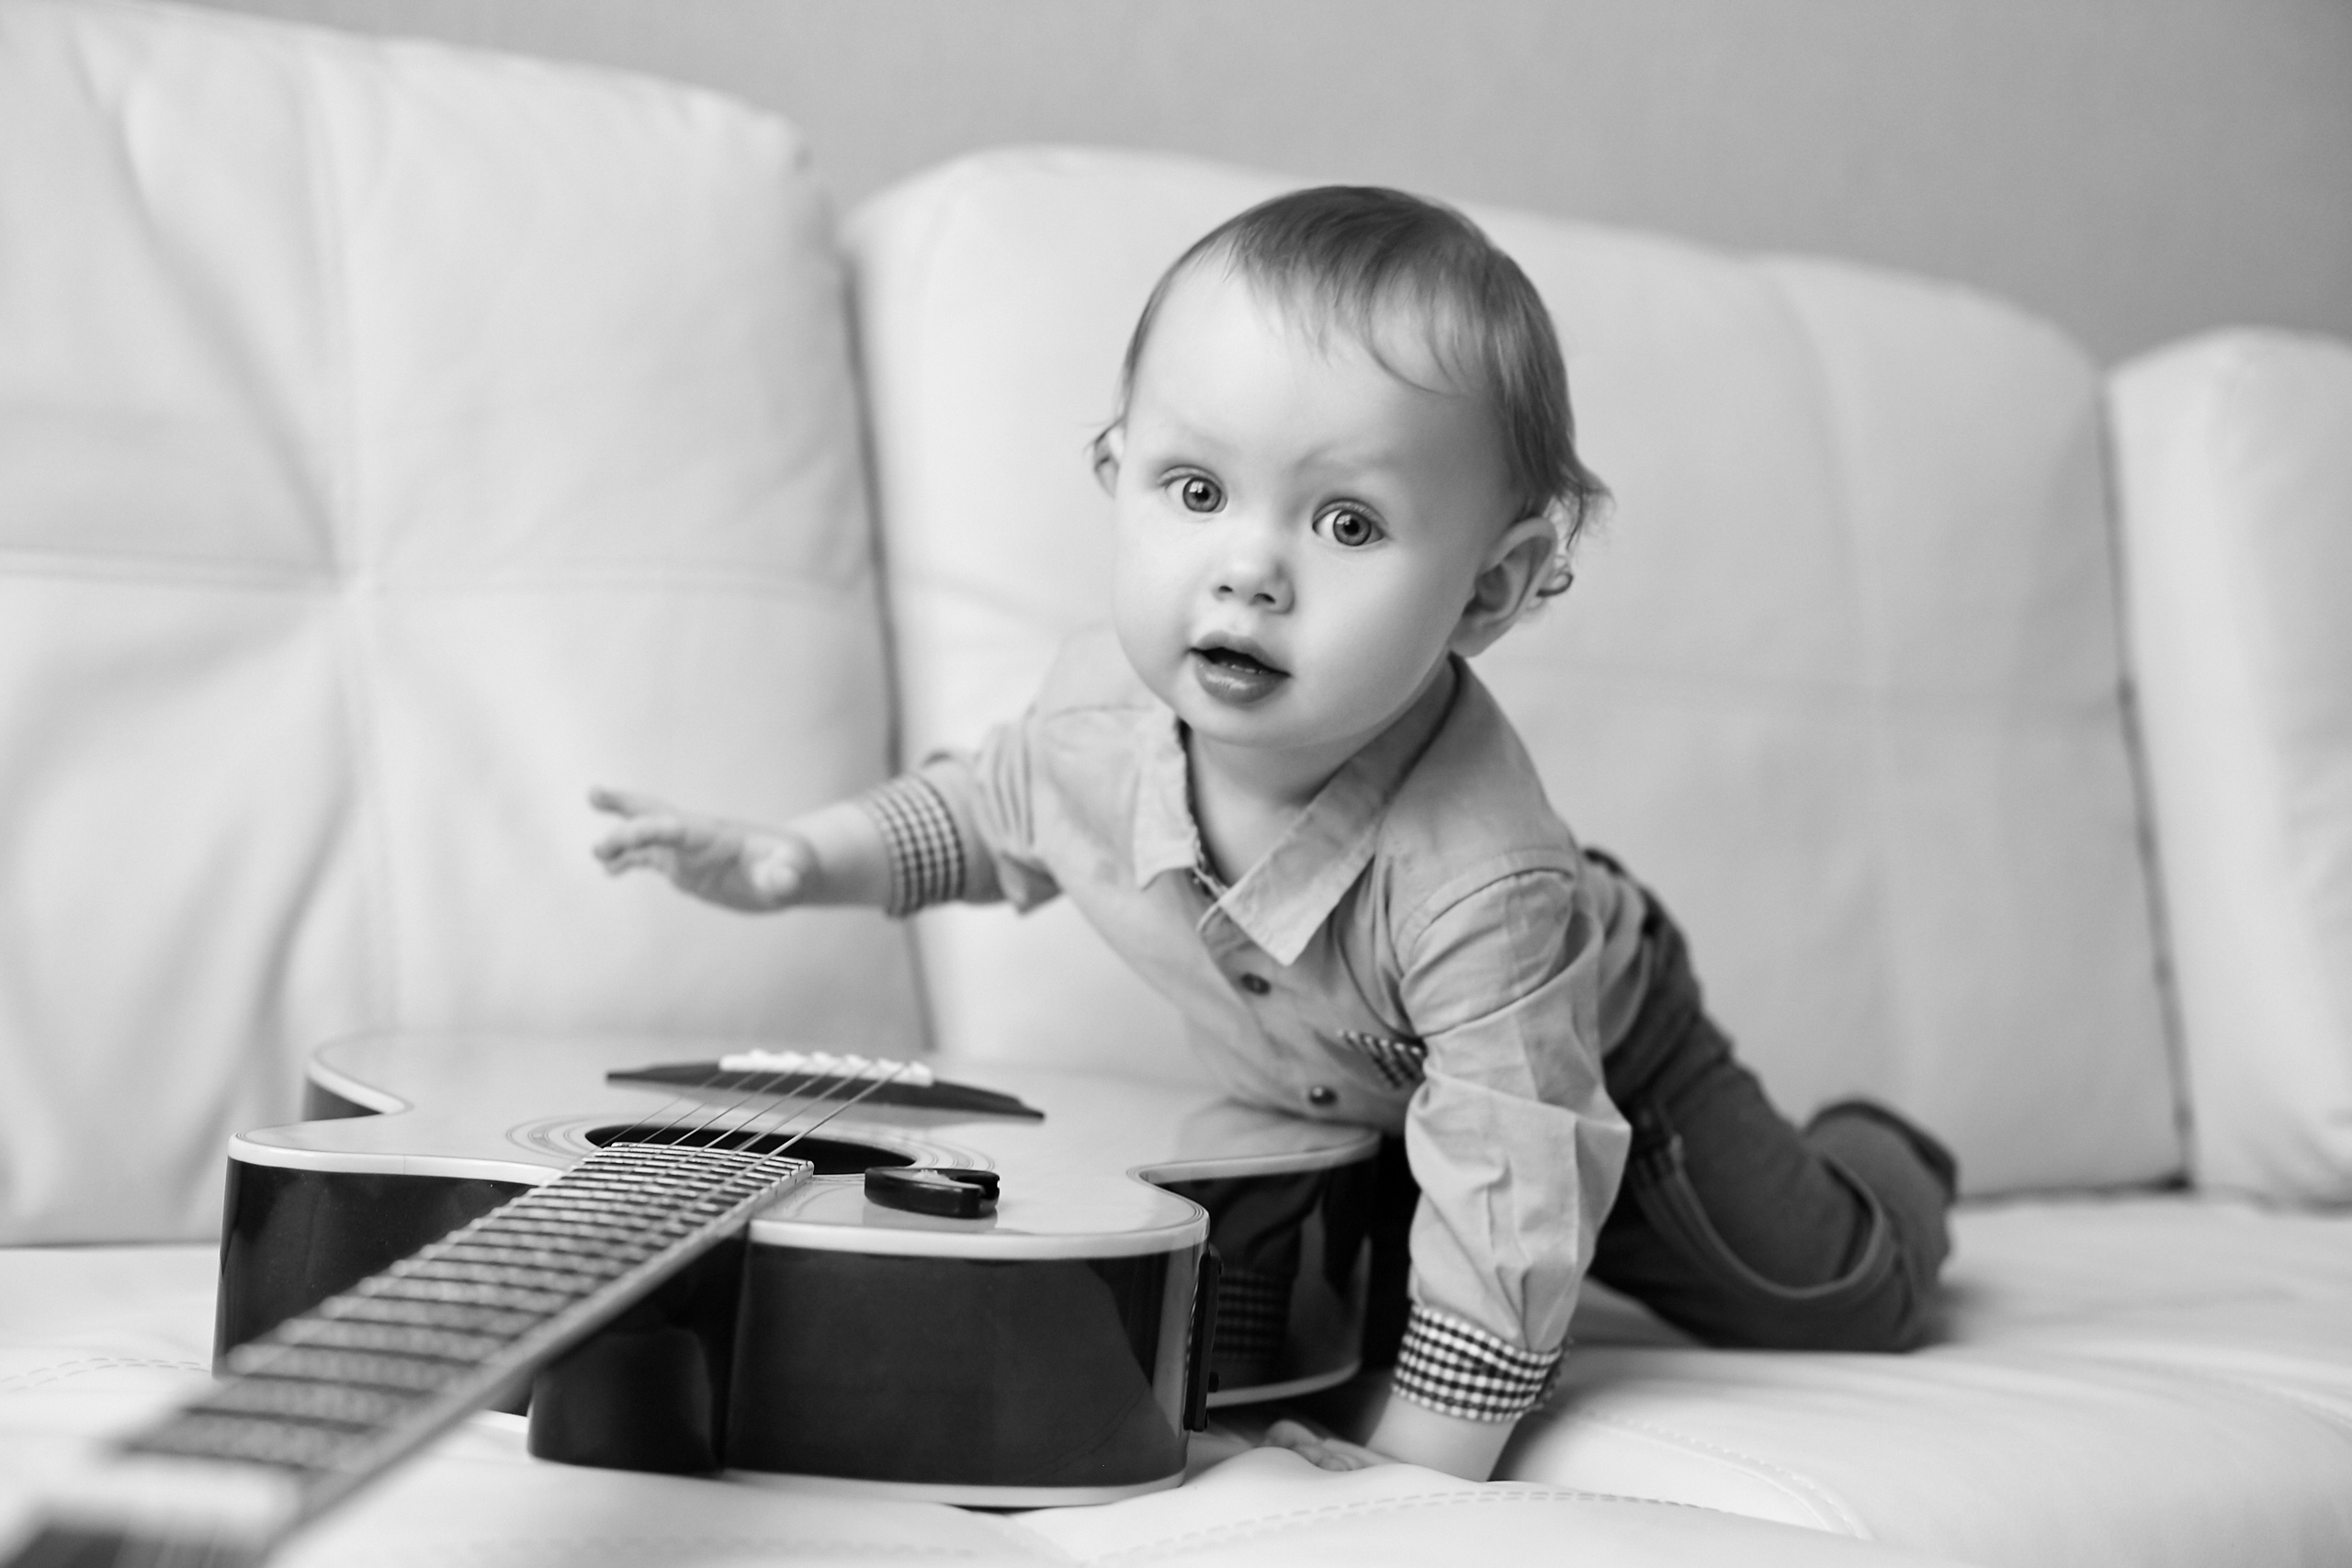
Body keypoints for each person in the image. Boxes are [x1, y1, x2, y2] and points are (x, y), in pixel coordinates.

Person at [591, 186, 1958, 1483]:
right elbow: (1001, 806)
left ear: (1487, 591)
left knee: (1831, 1293)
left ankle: (1888, 1156)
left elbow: (1514, 1187)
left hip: (1585, 1052)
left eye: (1347, 521)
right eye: (1195, 492)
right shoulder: (1102, 709)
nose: (1249, 567)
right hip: (1345, 1092)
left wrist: (1417, 1464)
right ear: (1114, 472)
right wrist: (797, 861)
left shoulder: (1483, 883)